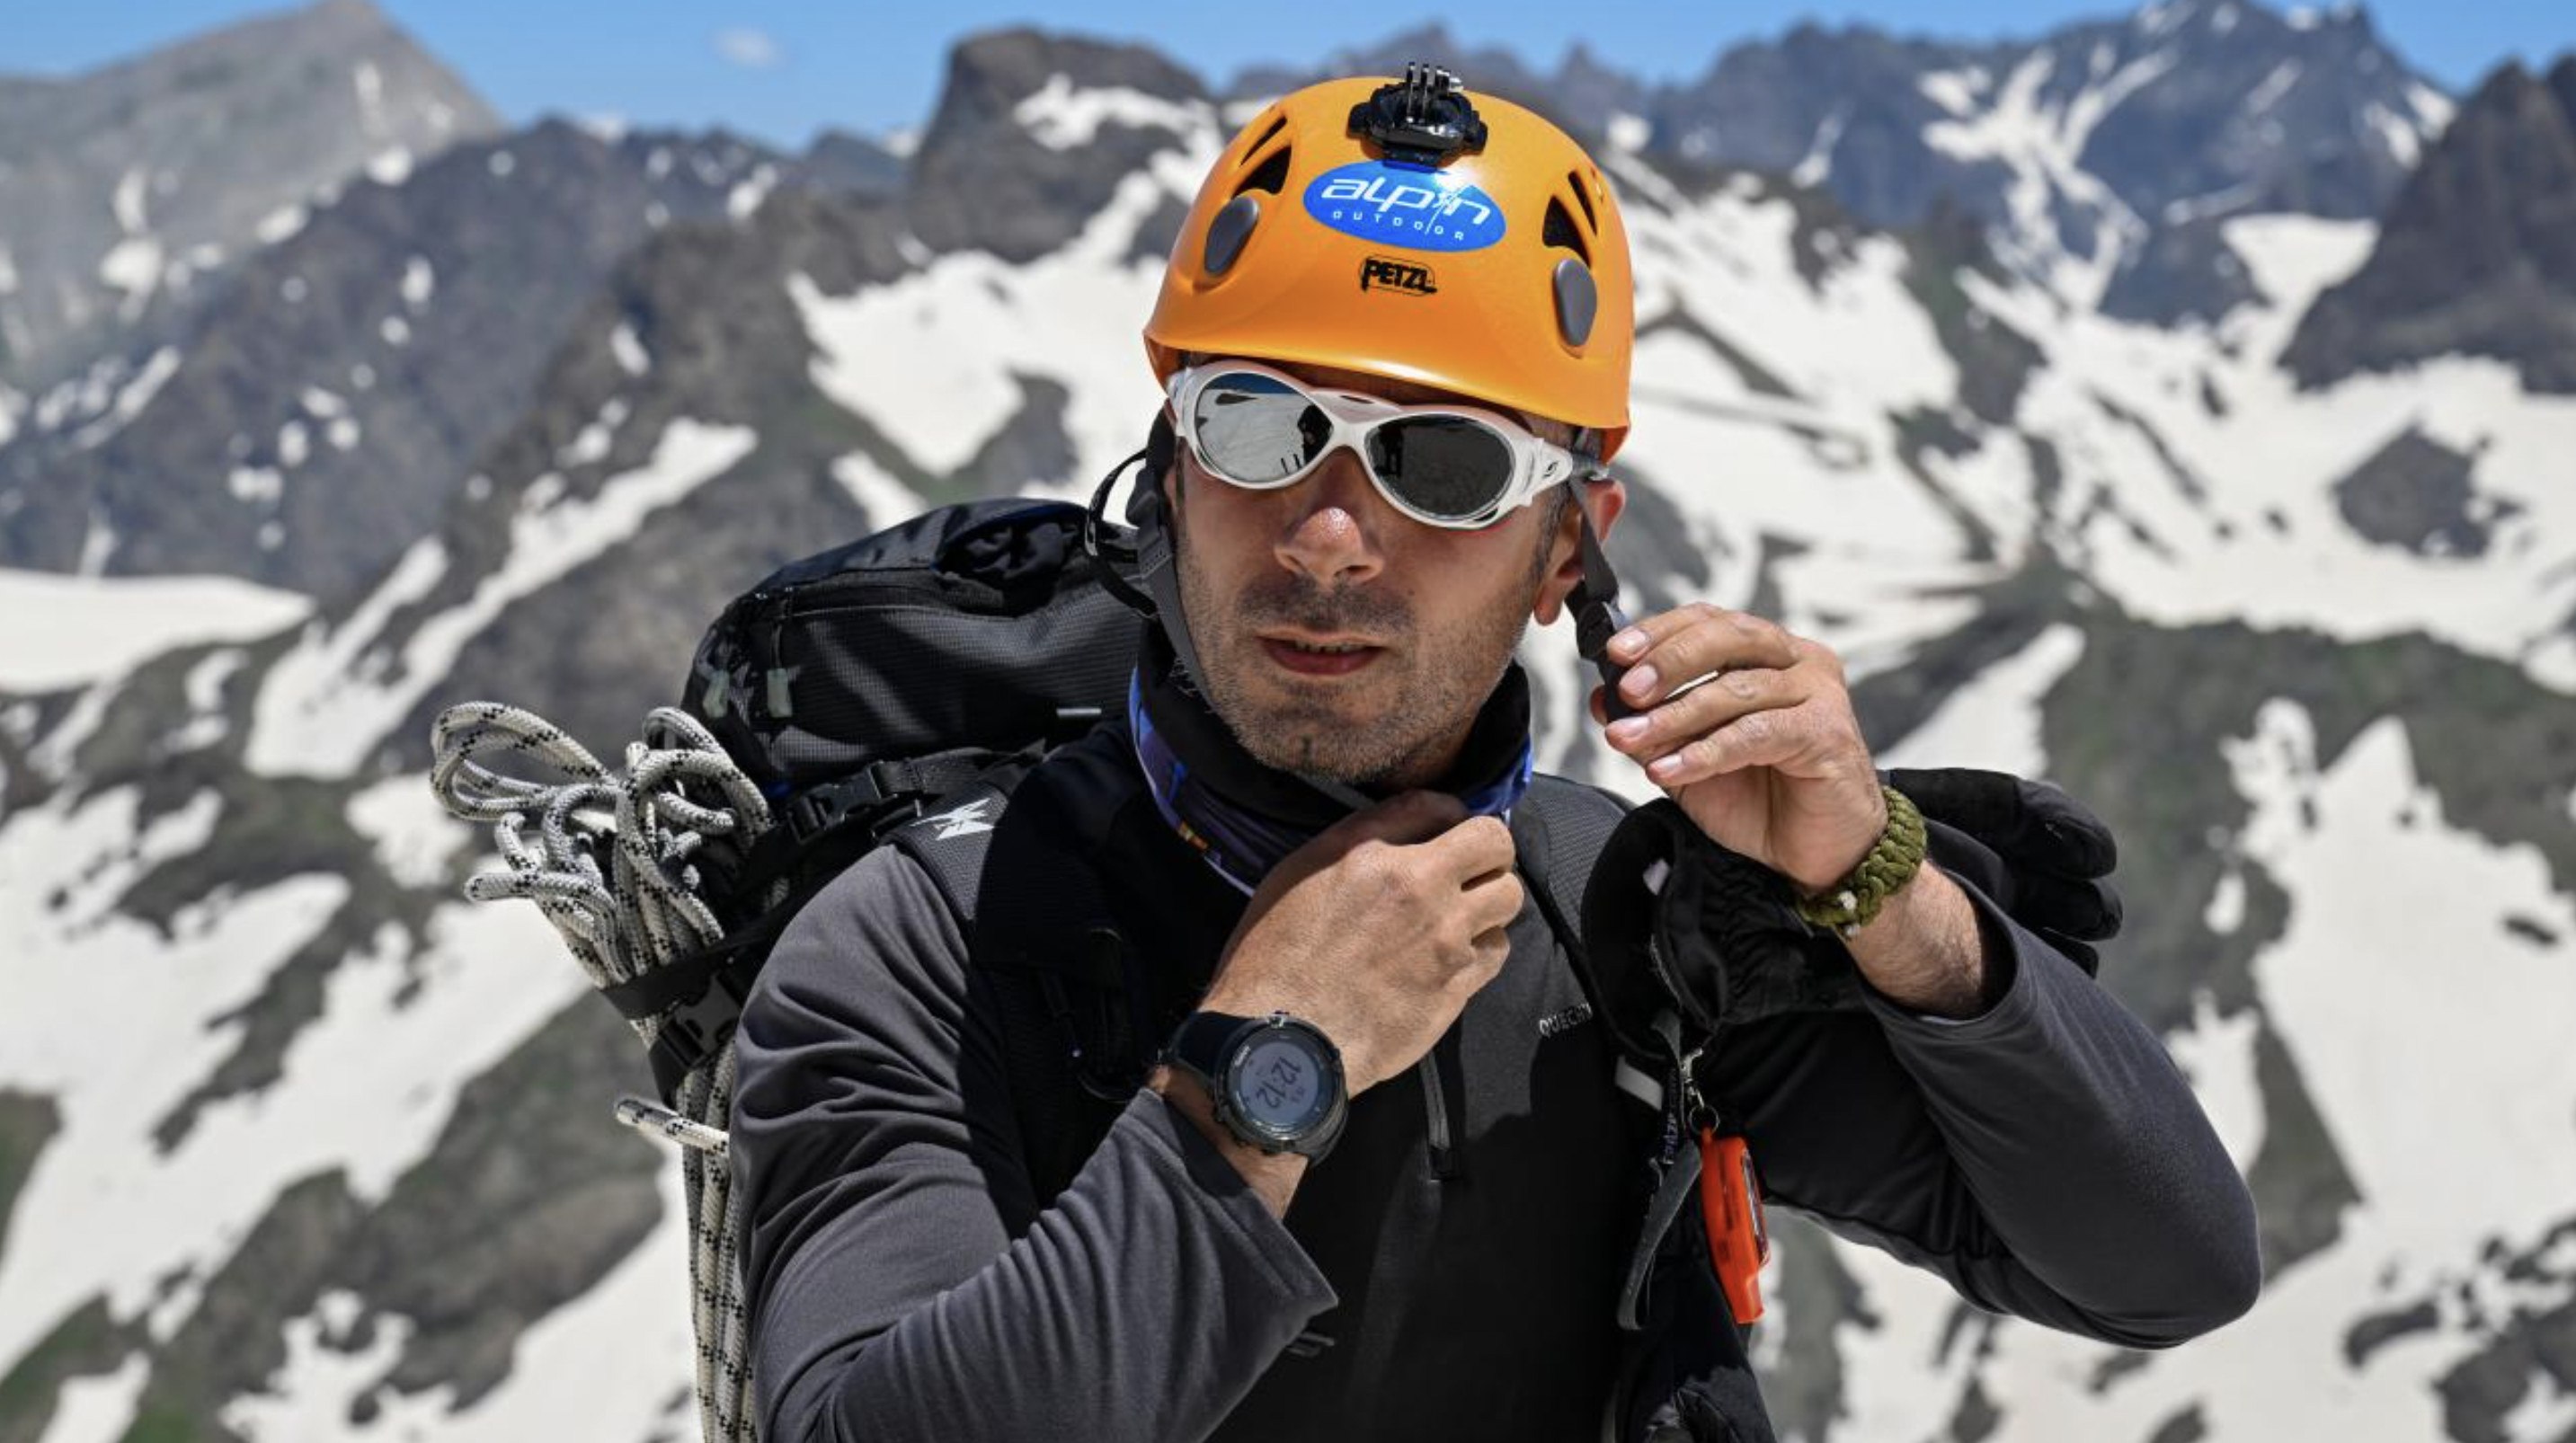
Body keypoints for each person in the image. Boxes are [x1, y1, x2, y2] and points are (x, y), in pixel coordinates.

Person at [728, 68, 2261, 1442]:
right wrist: (1266, 1067)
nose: (1329, 537)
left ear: (1561, 549)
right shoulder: (929, 942)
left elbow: (2164, 1266)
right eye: (1258, 427)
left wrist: (1881, 886)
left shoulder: (1623, 929)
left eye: (1441, 463)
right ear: (1172, 481)